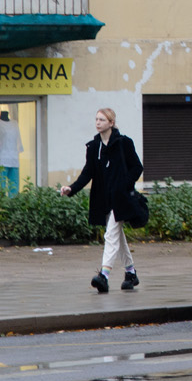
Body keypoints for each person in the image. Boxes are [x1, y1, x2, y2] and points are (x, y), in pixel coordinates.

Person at [61, 108, 144, 293]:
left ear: (111, 123)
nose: (98, 122)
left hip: (120, 198)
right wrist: (71, 188)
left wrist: (124, 185)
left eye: (102, 119)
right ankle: (131, 273)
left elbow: (137, 167)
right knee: (117, 236)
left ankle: (104, 276)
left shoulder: (124, 143)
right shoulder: (93, 147)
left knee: (111, 234)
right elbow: (87, 173)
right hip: (103, 198)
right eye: (96, 119)